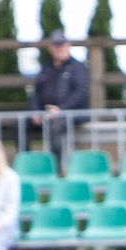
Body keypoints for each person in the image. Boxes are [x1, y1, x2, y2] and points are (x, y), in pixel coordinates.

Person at [28, 30, 91, 169]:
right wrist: (35, 111)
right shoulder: (46, 68)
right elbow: (36, 93)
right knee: (20, 124)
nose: (59, 48)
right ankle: (26, 165)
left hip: (73, 114)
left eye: (62, 45)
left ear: (68, 46)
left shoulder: (78, 68)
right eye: (56, 45)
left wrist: (61, 109)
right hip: (47, 114)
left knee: (55, 126)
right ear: (51, 48)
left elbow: (81, 93)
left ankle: (56, 169)